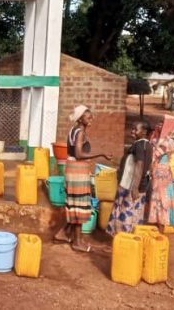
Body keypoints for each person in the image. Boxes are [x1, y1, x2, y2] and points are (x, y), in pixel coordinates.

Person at [53, 105, 113, 252]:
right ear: (80, 119)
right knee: (80, 205)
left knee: (75, 203)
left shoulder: (73, 130)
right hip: (78, 170)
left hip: (73, 168)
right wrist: (101, 154)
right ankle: (77, 242)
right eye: (87, 116)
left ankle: (63, 233)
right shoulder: (80, 132)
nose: (90, 118)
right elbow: (79, 154)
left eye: (90, 115)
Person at [106, 120, 154, 237]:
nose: (132, 131)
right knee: (132, 213)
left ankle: (123, 238)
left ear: (144, 132)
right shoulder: (145, 145)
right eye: (132, 129)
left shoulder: (140, 145)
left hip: (131, 186)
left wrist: (135, 187)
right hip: (132, 185)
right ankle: (126, 238)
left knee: (126, 212)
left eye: (135, 129)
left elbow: (139, 165)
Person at [147, 115, 174, 232]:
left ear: (169, 126)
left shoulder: (168, 142)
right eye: (159, 122)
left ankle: (160, 228)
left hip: (162, 175)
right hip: (156, 172)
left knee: (162, 201)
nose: (159, 124)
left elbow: (154, 154)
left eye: (163, 123)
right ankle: (155, 226)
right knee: (154, 199)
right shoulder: (157, 138)